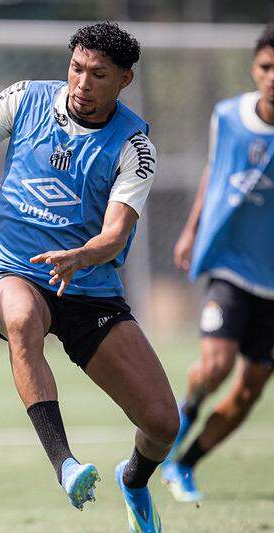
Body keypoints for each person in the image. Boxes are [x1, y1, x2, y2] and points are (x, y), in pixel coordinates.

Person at [0, 21, 177, 533]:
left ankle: (133, 480)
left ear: (125, 80)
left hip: (90, 289)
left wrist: (79, 258)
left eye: (98, 74)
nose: (82, 84)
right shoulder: (24, 99)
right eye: (76, 68)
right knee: (22, 317)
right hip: (17, 272)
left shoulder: (134, 145)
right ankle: (65, 463)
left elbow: (114, 237)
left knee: (162, 425)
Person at [162, 24, 274, 504]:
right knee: (216, 366)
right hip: (229, 265)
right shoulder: (228, 117)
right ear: (254, 68)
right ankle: (174, 425)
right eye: (267, 67)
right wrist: (190, 230)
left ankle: (184, 465)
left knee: (249, 390)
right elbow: (215, 171)